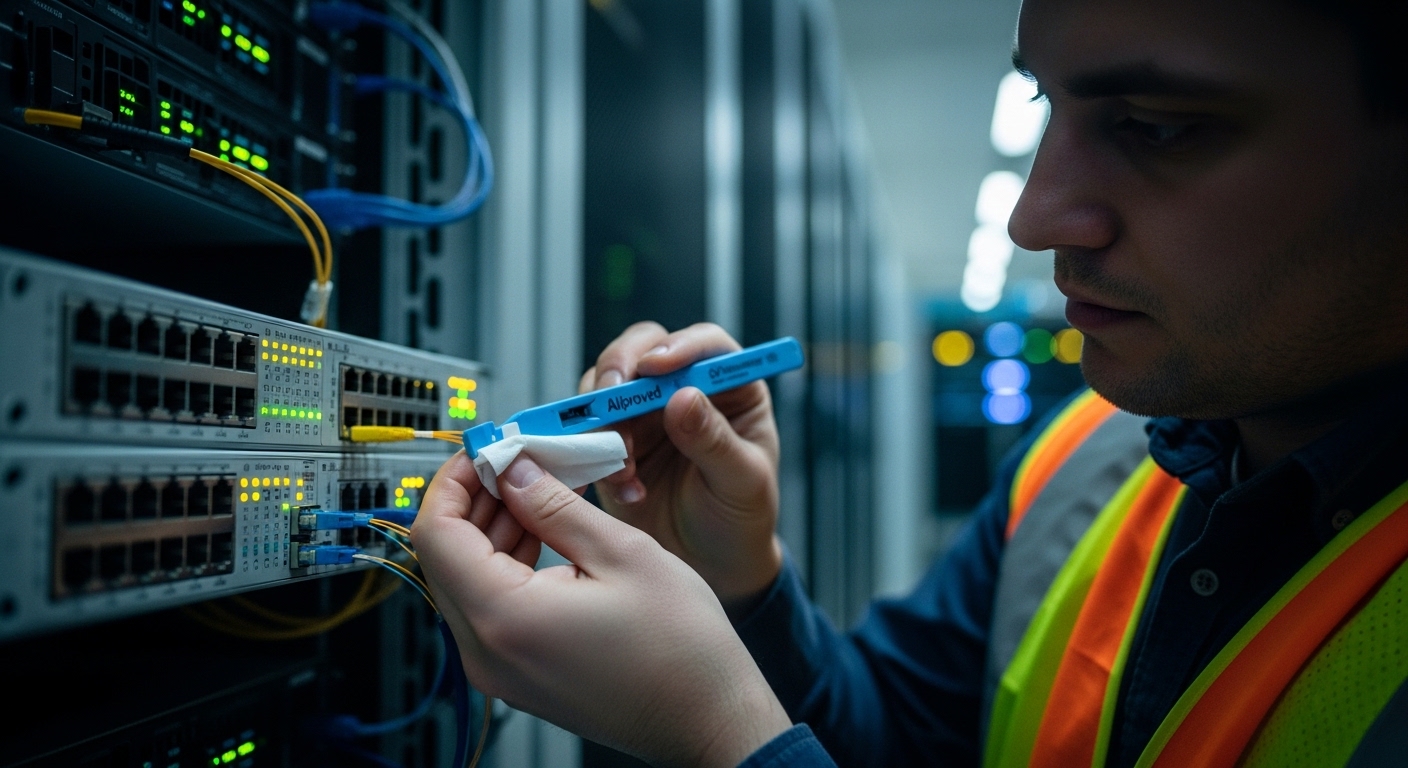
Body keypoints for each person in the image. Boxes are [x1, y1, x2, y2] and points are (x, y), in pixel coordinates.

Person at [410, 0, 1408, 764]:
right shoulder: (1077, 466)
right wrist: (735, 584)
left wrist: (726, 738)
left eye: (1155, 126)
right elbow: (894, 738)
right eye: (1045, 107)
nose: (1034, 217)